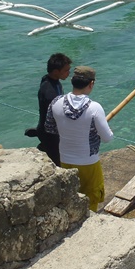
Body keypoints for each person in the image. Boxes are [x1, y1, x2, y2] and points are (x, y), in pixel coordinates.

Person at [44, 66, 114, 212]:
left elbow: (49, 128)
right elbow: (108, 138)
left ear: (72, 81)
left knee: (71, 197)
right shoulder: (95, 108)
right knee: (91, 199)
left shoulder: (56, 103)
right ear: (91, 84)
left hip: (65, 160)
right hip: (88, 162)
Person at [31, 53, 72, 166]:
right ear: (55, 72)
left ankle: (43, 145)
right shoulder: (49, 91)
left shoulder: (51, 80)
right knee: (59, 164)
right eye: (66, 70)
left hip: (48, 129)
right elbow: (56, 115)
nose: (69, 73)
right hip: (49, 133)